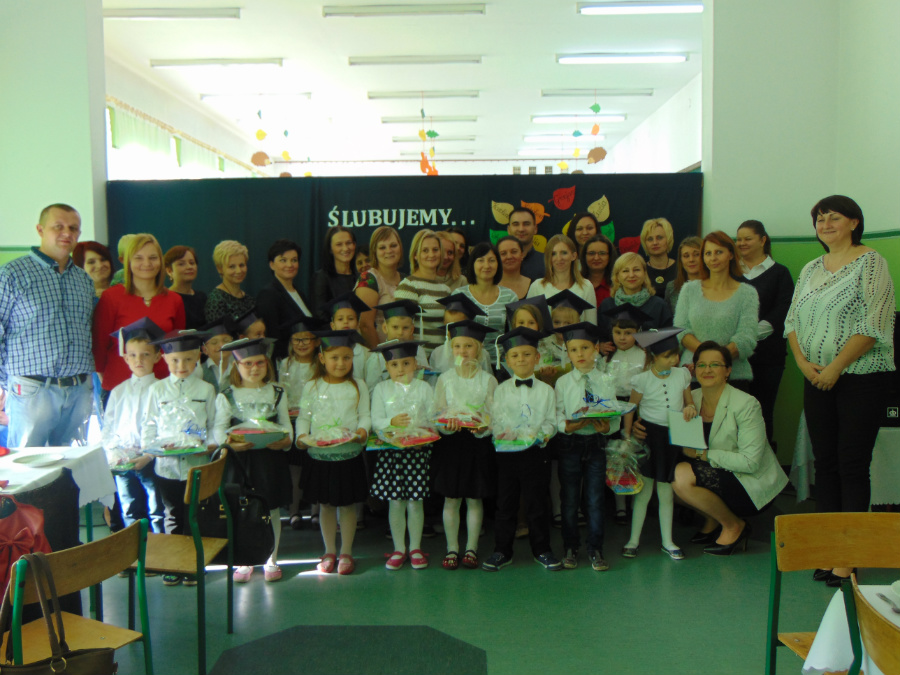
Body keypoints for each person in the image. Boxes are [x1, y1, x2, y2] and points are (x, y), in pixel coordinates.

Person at [784, 195, 895, 585]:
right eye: (819, 219)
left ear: (854, 222)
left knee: (851, 464)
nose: (825, 224)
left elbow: (874, 324)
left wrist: (835, 368)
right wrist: (803, 363)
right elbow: (792, 320)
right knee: (825, 463)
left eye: (834, 217)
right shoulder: (811, 268)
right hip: (816, 377)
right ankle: (828, 549)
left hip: (861, 378)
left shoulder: (871, 262)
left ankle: (849, 558)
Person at [672, 342, 788, 557]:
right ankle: (713, 517)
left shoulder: (746, 404)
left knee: (681, 476)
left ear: (728, 371)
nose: (707, 370)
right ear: (694, 370)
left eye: (715, 365)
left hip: (748, 481)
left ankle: (734, 526)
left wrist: (702, 455)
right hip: (715, 471)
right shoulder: (690, 399)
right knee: (663, 479)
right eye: (701, 365)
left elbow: (750, 462)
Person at [0, 204, 95, 447]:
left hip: (78, 391)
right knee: (28, 464)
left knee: (72, 464)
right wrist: (4, 384)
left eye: (73, 228)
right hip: (32, 390)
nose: (67, 233)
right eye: (58, 226)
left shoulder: (83, 280)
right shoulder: (12, 274)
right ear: (40, 230)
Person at [141, 329, 217, 585]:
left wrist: (208, 445)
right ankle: (174, 563)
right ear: (164, 358)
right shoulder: (157, 390)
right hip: (167, 467)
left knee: (195, 515)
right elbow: (148, 425)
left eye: (187, 359)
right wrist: (151, 448)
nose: (181, 365)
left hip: (197, 465)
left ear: (197, 358)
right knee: (172, 515)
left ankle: (194, 563)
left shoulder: (206, 390)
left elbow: (213, 424)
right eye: (174, 360)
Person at [215, 337, 294, 583]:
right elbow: (218, 429)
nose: (254, 368)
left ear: (267, 364)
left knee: (271, 509)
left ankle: (272, 559)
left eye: (260, 362)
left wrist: (286, 440)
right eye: (247, 363)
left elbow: (286, 426)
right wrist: (229, 443)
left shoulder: (277, 392)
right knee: (243, 509)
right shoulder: (227, 395)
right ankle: (245, 560)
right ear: (237, 366)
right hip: (240, 461)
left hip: (269, 460)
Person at [483, 327, 561, 572]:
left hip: (536, 453)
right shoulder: (500, 390)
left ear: (537, 358)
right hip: (507, 454)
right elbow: (496, 420)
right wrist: (501, 432)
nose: (521, 360)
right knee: (505, 504)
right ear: (507, 360)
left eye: (527, 354)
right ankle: (502, 551)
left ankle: (542, 550)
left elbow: (551, 422)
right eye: (515, 356)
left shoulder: (547, 391)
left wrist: (539, 435)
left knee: (537, 504)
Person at [296, 330, 371, 576]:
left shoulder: (358, 385)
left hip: (348, 454)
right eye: (334, 358)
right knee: (326, 506)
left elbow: (364, 415)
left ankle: (346, 551)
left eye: (346, 357)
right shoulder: (311, 386)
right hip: (320, 456)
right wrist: (301, 437)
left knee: (347, 506)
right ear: (322, 358)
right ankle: (329, 550)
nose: (341, 363)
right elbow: (304, 416)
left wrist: (362, 431)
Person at [622, 328, 696, 561]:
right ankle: (633, 540)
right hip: (649, 438)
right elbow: (631, 408)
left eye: (675, 354)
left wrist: (690, 408)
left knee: (666, 492)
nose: (674, 360)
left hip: (672, 438)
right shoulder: (642, 379)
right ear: (654, 356)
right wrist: (627, 437)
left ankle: (668, 541)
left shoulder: (682, 375)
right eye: (667, 356)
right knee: (643, 492)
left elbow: (689, 402)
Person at [432, 320, 498, 571]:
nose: (463, 351)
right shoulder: (445, 379)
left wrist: (484, 426)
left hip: (477, 444)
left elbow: (494, 415)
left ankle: (471, 548)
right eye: (457, 346)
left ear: (479, 349)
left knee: (474, 498)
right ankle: (452, 548)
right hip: (451, 444)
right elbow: (437, 412)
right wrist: (445, 425)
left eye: (468, 346)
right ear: (451, 349)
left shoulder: (487, 380)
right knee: (451, 499)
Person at [554, 322, 618, 571]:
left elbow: (614, 414)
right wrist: (567, 426)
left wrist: (607, 428)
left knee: (595, 498)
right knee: (569, 499)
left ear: (596, 349)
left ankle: (595, 548)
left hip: (596, 444)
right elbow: (557, 413)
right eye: (573, 349)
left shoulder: (605, 380)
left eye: (585, 348)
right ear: (567, 353)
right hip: (570, 443)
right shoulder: (563, 382)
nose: (579, 354)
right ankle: (570, 547)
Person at [93, 233, 186, 399]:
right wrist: (104, 380)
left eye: (153, 258)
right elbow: (99, 345)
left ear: (161, 261)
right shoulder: (111, 297)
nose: (147, 263)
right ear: (128, 262)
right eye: (138, 258)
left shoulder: (174, 300)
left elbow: (178, 348)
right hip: (120, 387)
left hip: (163, 387)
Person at [370, 340, 436, 571]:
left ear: (415, 364)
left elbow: (432, 419)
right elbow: (375, 420)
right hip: (391, 453)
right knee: (396, 502)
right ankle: (399, 548)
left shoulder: (424, 388)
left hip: (417, 452)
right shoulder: (381, 389)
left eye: (406, 363)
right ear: (387, 367)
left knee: (415, 502)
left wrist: (423, 436)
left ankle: (415, 547)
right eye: (394, 364)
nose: (400, 369)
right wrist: (391, 422)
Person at [102, 318, 166, 534]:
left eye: (145, 354)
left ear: (157, 356)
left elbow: (166, 428)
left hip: (152, 460)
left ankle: (160, 551)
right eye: (133, 355)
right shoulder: (118, 391)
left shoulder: (162, 389)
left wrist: (150, 454)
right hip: (124, 461)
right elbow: (108, 426)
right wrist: (113, 453)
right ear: (126, 358)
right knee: (130, 509)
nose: (139, 360)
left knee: (157, 510)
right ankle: (137, 552)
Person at [673, 231, 759, 388]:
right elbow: (682, 330)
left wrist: (715, 360)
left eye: (719, 252)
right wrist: (707, 359)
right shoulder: (689, 289)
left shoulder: (748, 293)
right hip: (693, 374)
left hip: (734, 376)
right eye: (708, 253)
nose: (713, 258)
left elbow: (746, 337)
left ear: (730, 254)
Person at [735, 221, 795, 445]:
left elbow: (783, 310)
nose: (742, 243)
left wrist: (747, 336)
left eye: (747, 238)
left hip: (768, 358)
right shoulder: (732, 273)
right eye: (739, 239)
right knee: (735, 414)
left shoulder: (780, 273)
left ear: (762, 240)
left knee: (762, 412)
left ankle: (764, 463)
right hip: (735, 358)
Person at [277, 313, 322, 530]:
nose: (301, 344)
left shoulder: (320, 364)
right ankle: (294, 512)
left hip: (316, 422)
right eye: (297, 339)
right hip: (293, 421)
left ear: (317, 341)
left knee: (315, 468)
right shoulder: (285, 364)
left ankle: (316, 511)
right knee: (295, 470)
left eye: (306, 339)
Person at [394, 230, 452, 356]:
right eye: (425, 250)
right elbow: (401, 329)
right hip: (418, 359)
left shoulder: (446, 290)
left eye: (435, 250)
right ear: (415, 255)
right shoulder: (408, 286)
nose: (431, 254)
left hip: (441, 359)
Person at [255, 239, 313, 361]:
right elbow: (271, 338)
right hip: (284, 363)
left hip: (306, 361)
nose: (290, 265)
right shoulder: (268, 294)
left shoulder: (300, 293)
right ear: (272, 265)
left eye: (294, 260)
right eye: (283, 260)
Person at [598, 252, 673, 338]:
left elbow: (668, 340)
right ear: (617, 276)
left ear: (644, 273)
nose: (631, 275)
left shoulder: (658, 305)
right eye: (625, 271)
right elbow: (601, 338)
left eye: (636, 270)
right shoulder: (607, 305)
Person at [527, 234, 597, 324]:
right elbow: (529, 324)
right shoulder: (537, 286)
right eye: (553, 254)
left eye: (564, 253)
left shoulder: (586, 286)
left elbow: (591, 325)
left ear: (573, 256)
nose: (559, 258)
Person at [356, 226, 405, 347]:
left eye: (393, 245)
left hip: (403, 352)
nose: (389, 251)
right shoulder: (369, 279)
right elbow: (365, 326)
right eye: (382, 247)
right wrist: (381, 355)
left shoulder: (406, 279)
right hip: (379, 353)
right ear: (374, 252)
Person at [313, 226, 357, 321]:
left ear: (354, 245)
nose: (345, 248)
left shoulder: (361, 277)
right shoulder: (322, 277)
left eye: (348, 243)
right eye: (339, 244)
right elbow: (320, 314)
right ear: (330, 249)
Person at [205, 240, 254, 323]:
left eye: (241, 265)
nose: (238, 271)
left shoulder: (249, 300)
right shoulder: (216, 301)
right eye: (232, 267)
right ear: (219, 269)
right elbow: (219, 331)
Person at [164, 245, 207, 330]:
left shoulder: (202, 297)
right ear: (169, 271)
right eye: (181, 264)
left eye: (192, 263)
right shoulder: (165, 298)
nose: (189, 267)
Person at [663, 236, 706, 313]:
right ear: (681, 260)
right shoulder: (672, 287)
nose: (691, 259)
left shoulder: (715, 286)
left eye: (696, 254)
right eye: (686, 256)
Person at [641, 218, 677, 297]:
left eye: (659, 238)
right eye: (650, 239)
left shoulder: (680, 268)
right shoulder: (640, 271)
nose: (655, 243)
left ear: (668, 239)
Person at [507, 207, 545, 280]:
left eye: (526, 224)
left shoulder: (547, 262)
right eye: (516, 224)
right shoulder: (497, 262)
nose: (521, 229)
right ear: (509, 230)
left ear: (535, 229)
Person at [581, 234, 617, 308]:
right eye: (591, 253)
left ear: (610, 256)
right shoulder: (575, 281)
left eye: (602, 253)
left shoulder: (618, 284)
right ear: (584, 256)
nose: (596, 258)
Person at [496, 235, 531, 300]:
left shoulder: (534, 286)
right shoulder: (490, 286)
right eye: (503, 253)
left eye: (514, 252)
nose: (509, 257)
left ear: (522, 255)